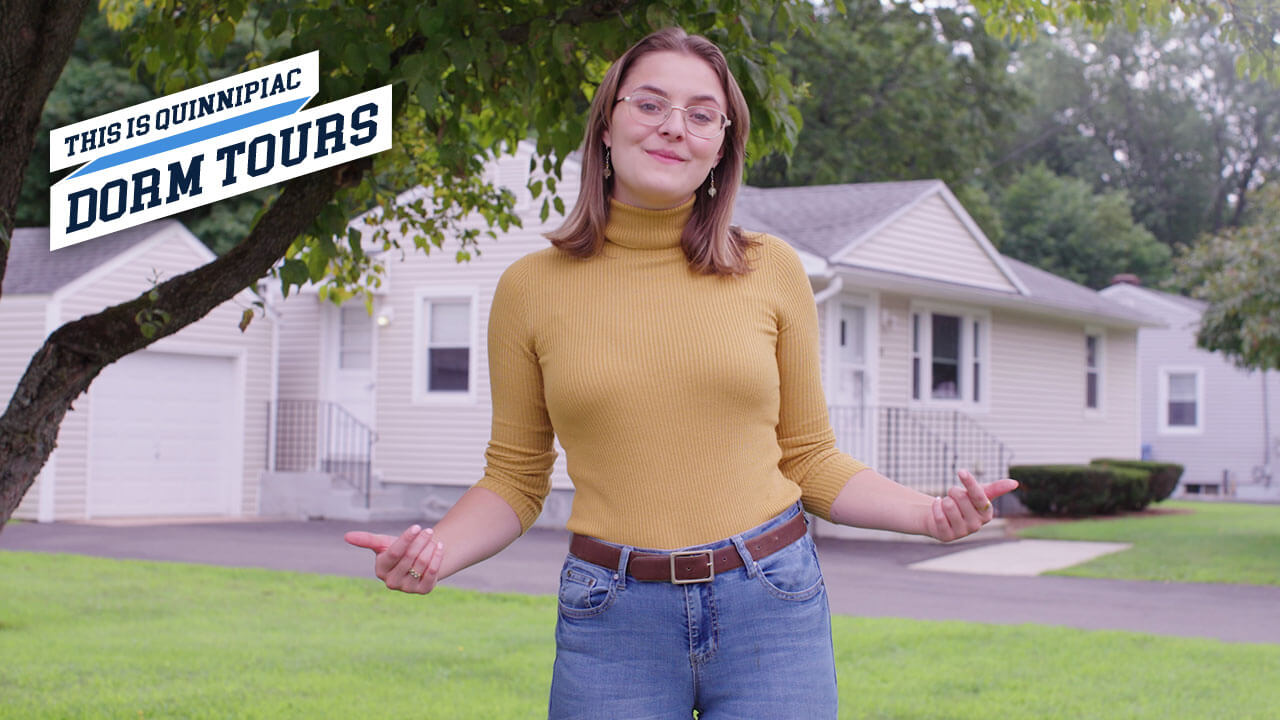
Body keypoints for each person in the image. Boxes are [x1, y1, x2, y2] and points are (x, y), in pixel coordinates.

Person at [346, 26, 1018, 719]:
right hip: (612, 616)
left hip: (773, 604)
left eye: (702, 115)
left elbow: (810, 458)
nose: (675, 127)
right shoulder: (530, 288)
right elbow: (516, 479)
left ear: (721, 147)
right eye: (650, 105)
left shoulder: (772, 269)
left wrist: (928, 515)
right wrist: (435, 552)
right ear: (607, 124)